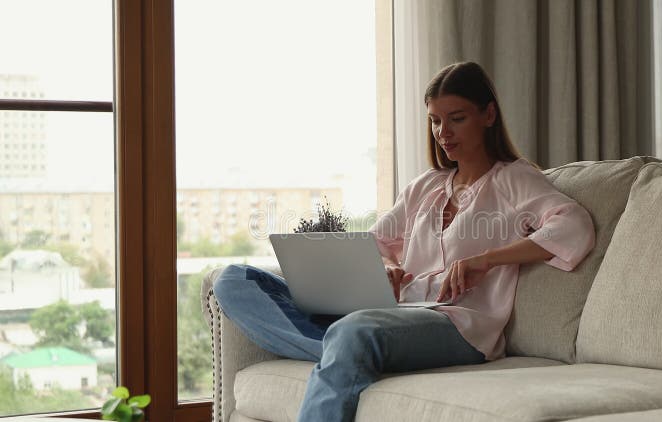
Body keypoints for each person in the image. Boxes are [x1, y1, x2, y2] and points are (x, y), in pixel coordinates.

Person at [213, 61, 596, 422]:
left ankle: (346, 348)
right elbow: (374, 243)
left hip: (459, 327)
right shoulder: (425, 186)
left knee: (355, 330)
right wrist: (384, 269)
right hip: (390, 316)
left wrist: (487, 259)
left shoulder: (513, 180)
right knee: (233, 280)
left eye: (457, 119)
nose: (443, 133)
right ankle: (344, 351)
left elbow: (573, 226)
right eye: (435, 121)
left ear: (488, 116)